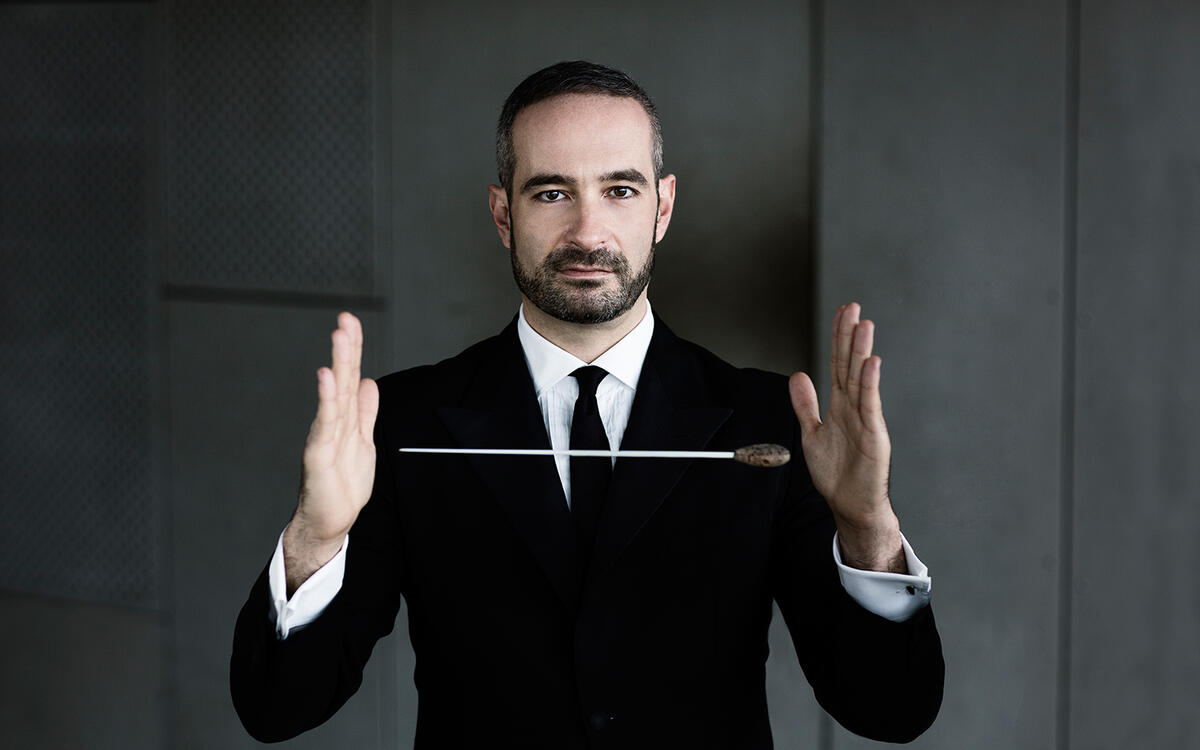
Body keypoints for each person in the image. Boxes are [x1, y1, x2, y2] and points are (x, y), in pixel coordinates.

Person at [231, 61, 943, 748]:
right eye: (550, 193)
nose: (588, 233)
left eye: (620, 191)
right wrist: (314, 541)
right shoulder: (404, 424)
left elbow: (891, 710)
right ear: (502, 212)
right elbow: (276, 709)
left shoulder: (772, 425)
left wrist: (869, 532)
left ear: (663, 207)